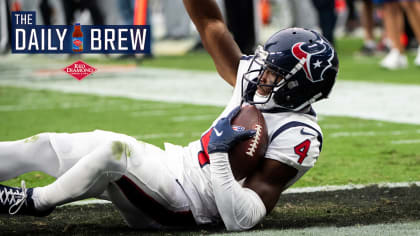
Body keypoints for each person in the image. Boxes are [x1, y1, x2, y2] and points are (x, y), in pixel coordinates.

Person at [0, 0, 338, 231]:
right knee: (50, 145)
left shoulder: (299, 134)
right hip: (174, 167)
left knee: (114, 152)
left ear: (301, 85)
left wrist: (219, 155)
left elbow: (242, 219)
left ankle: (35, 202)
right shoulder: (259, 82)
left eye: (273, 73)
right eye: (264, 66)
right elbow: (210, 22)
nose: (260, 74)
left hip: (191, 206)